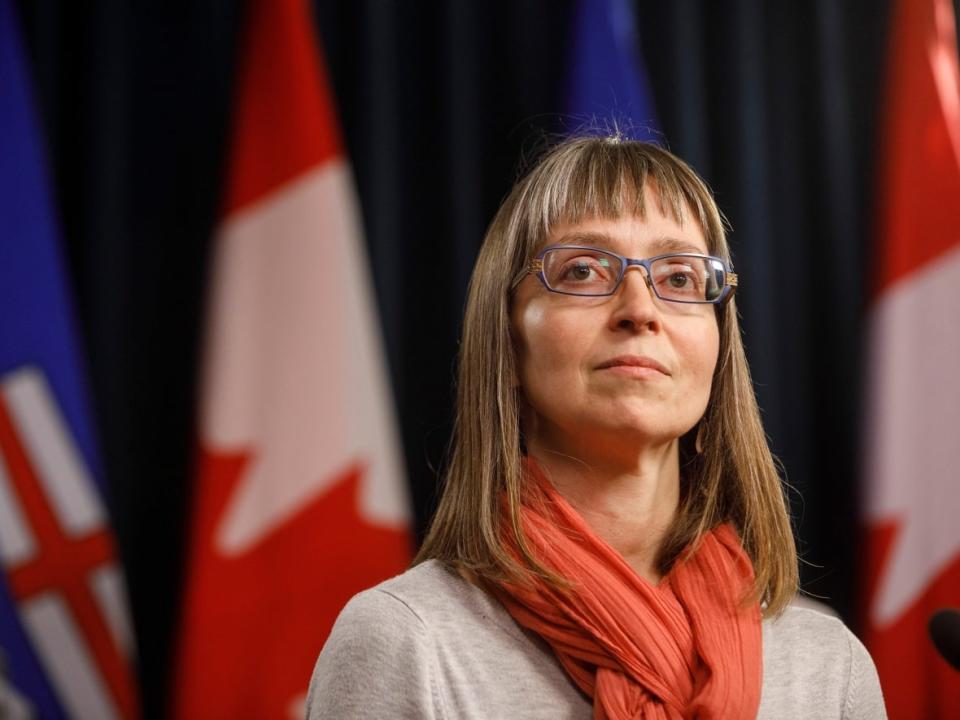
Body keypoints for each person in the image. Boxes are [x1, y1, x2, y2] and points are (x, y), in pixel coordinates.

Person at [305, 136, 886, 719]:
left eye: (680, 277)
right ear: (506, 341)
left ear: (718, 349)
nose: (640, 309)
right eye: (583, 270)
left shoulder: (827, 665)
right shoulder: (408, 642)